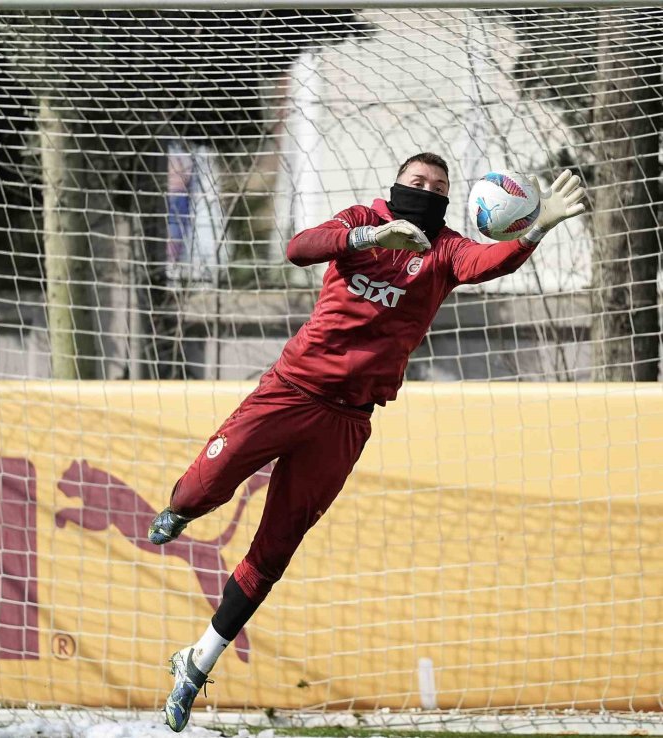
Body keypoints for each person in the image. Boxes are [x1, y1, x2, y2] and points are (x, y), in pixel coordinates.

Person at [147, 152, 586, 731]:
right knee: (199, 490)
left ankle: (198, 662)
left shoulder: (446, 250)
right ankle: (180, 509)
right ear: (394, 186)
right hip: (292, 389)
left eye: (438, 187)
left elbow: (489, 263)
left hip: (348, 420)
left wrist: (535, 229)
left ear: (450, 201)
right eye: (416, 182)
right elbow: (299, 248)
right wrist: (371, 233)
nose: (426, 192)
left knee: (275, 550)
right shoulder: (362, 221)